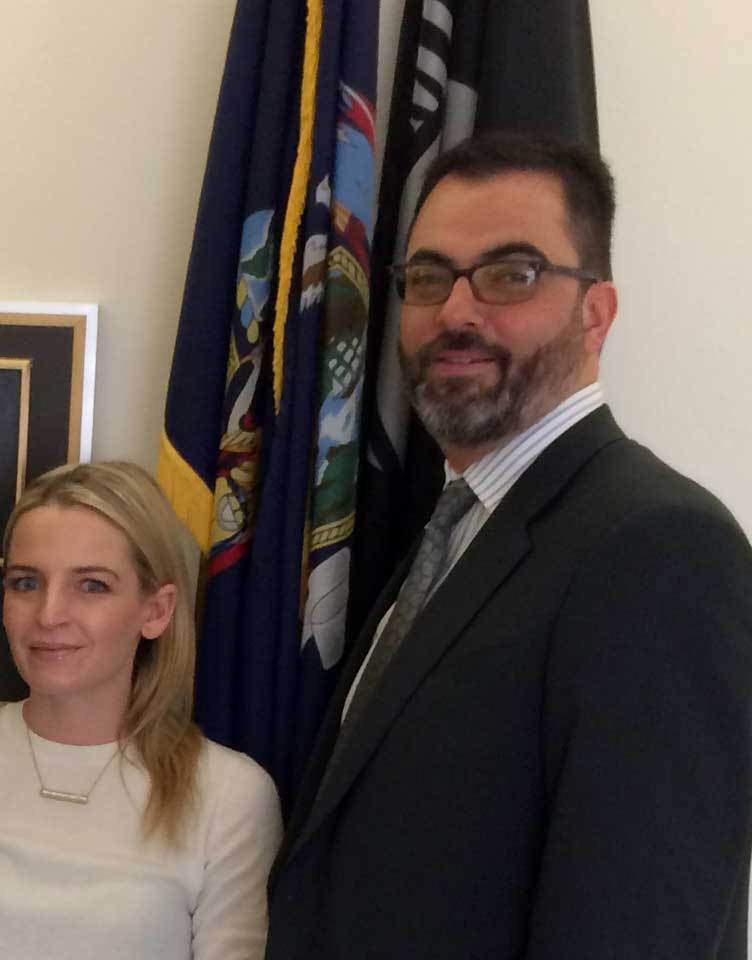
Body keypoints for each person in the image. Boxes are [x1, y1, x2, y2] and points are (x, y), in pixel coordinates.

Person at [268, 133, 752, 959]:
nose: (455, 311)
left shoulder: (659, 547)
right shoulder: (460, 525)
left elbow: (637, 931)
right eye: (427, 277)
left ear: (595, 313)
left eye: (511, 273)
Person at [0, 460, 280, 960]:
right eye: (26, 583)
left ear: (156, 610)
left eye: (92, 585)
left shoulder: (230, 795)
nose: (50, 615)